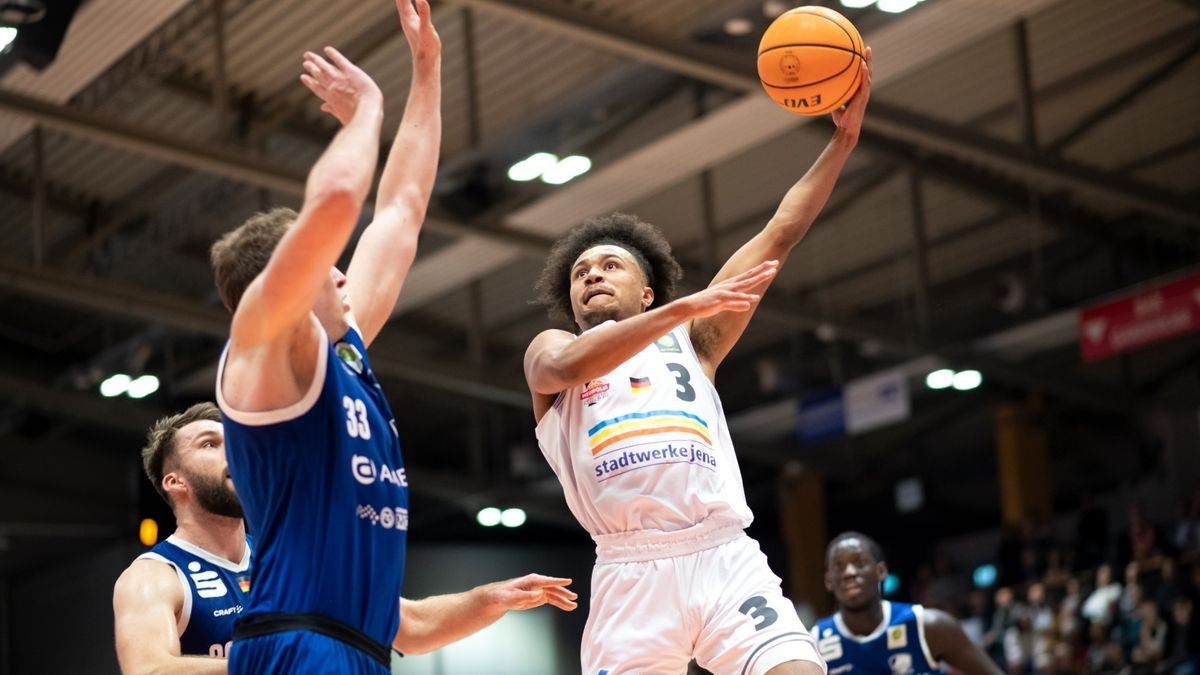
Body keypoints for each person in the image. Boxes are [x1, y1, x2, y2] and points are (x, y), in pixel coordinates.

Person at [209, 2, 572, 672]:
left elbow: (401, 208)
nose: (346, 271)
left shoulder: (341, 353)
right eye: (327, 263)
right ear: (288, 277)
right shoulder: (263, 353)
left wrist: (426, 70)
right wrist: (366, 111)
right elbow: (337, 204)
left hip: (357, 648)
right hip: (299, 643)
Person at [523, 47, 873, 675]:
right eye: (580, 273)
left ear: (648, 290)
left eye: (609, 266)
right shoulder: (553, 350)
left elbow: (780, 233)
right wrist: (684, 311)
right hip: (630, 571)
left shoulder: (692, 341)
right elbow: (568, 368)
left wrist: (842, 143)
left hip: (720, 555)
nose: (591, 276)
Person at [113, 404, 577, 674]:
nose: (232, 451)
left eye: (235, 441)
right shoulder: (155, 576)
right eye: (210, 445)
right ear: (176, 482)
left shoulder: (290, 558)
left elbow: (407, 624)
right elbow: (149, 669)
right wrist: (274, 662)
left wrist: (488, 599)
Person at [815, 532, 1004, 675]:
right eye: (839, 567)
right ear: (828, 581)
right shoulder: (814, 643)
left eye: (859, 562)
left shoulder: (929, 625)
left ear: (881, 571)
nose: (849, 572)